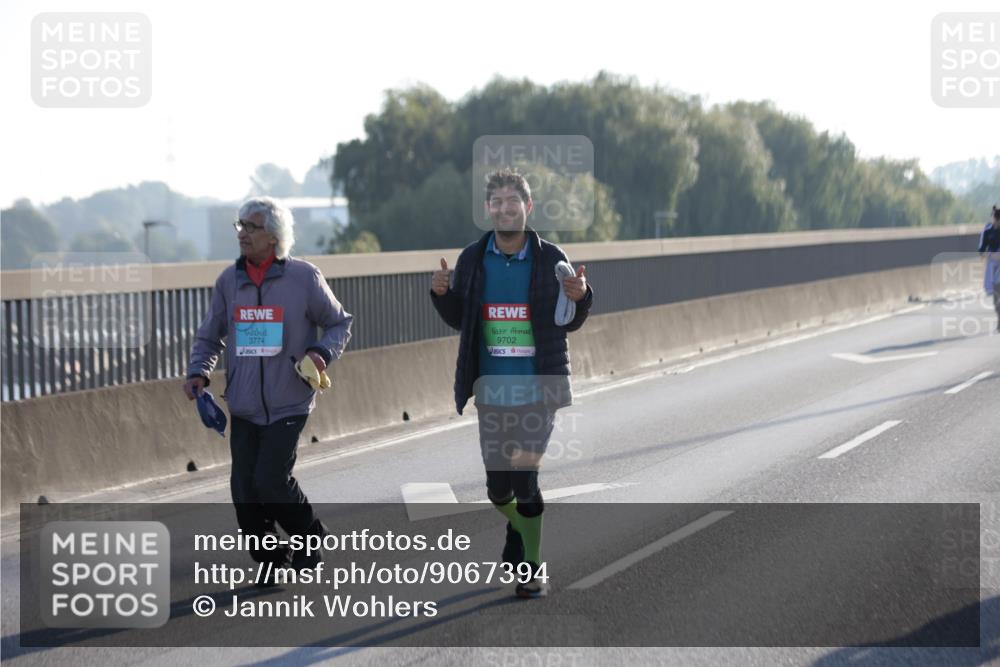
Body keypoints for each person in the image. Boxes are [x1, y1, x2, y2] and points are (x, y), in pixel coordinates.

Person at [430, 168, 593, 598]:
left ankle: (532, 569)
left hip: (539, 390)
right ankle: (520, 531)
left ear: (528, 207)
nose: (505, 209)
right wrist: (442, 294)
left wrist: (581, 297)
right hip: (492, 390)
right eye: (497, 202)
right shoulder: (472, 259)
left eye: (513, 201)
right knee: (497, 489)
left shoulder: (549, 258)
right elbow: (458, 319)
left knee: (525, 480)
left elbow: (569, 317)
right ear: (489, 210)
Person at [184, 196, 353, 579]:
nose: (242, 233)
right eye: (239, 225)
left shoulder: (304, 278)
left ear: (273, 237)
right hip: (244, 404)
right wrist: (199, 371)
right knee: (244, 493)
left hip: (289, 400)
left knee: (271, 480)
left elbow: (340, 323)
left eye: (251, 226)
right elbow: (210, 335)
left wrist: (321, 352)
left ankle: (309, 535)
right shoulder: (230, 281)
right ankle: (273, 558)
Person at [978, 205, 1000, 332]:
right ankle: (999, 319)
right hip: (993, 265)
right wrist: (984, 254)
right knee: (996, 297)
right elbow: (982, 249)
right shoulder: (988, 231)